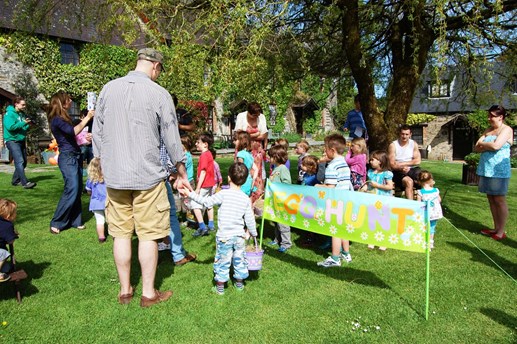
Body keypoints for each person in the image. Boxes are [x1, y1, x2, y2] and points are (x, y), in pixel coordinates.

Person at [93, 48, 190, 307]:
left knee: (121, 234)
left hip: (115, 177)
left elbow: (98, 132)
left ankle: (125, 290)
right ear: (156, 66)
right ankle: (148, 293)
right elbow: (171, 136)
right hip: (148, 177)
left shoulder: (108, 89)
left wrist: (102, 163)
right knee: (148, 235)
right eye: (160, 71)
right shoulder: (159, 93)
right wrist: (181, 170)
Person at [180, 162, 257, 295]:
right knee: (239, 259)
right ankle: (239, 283)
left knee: (223, 260)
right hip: (239, 237)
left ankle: (220, 287)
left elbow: (206, 202)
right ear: (244, 181)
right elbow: (250, 219)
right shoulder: (245, 199)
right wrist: (253, 233)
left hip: (224, 237)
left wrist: (190, 193)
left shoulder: (223, 194)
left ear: (228, 178)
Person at [48, 92, 94, 234]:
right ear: (62, 102)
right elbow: (72, 131)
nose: (70, 101)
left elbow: (72, 137)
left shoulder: (64, 118)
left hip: (75, 155)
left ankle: (75, 220)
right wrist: (88, 117)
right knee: (72, 188)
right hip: (67, 158)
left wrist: (86, 138)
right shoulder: (56, 119)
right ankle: (57, 221)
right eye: (68, 100)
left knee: (77, 187)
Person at [475, 105, 513, 241]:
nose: (489, 118)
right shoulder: (489, 130)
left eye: (492, 115)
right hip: (487, 169)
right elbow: (476, 147)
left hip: (499, 171)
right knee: (491, 198)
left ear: (500, 117)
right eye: (489, 115)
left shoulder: (506, 130)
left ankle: (501, 231)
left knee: (499, 199)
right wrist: (487, 144)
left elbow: (496, 145)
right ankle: (495, 227)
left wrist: (485, 143)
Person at [158, 139, 197, 265]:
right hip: (157, 180)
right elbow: (168, 156)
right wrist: (178, 173)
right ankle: (178, 255)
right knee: (171, 216)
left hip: (126, 182)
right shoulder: (158, 125)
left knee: (146, 221)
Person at [317, 134, 353, 268]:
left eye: (325, 149)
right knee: (343, 228)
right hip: (345, 200)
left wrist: (318, 186)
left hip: (335, 202)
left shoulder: (332, 166)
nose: (324, 152)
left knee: (335, 230)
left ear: (332, 150)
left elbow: (330, 187)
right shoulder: (344, 163)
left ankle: (335, 258)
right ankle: (346, 253)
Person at [234, 102, 268, 203]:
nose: (256, 117)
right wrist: (255, 134)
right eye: (254, 115)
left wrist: (247, 135)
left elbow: (263, 135)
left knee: (257, 171)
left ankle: (256, 197)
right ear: (249, 112)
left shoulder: (261, 117)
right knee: (242, 170)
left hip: (257, 150)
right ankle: (241, 194)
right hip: (243, 148)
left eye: (257, 115)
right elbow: (238, 134)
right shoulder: (241, 116)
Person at [3, 96, 36, 189]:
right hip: (12, 140)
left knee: (24, 162)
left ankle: (15, 180)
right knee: (19, 161)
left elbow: (23, 128)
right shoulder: (9, 114)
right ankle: (25, 183)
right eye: (23, 104)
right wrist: (23, 123)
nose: (24, 106)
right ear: (16, 104)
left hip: (21, 140)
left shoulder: (21, 114)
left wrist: (28, 125)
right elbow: (11, 127)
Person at [364, 150, 394, 250]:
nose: (370, 161)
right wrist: (364, 188)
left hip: (384, 199)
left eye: (373, 160)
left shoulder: (387, 173)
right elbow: (368, 184)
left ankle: (383, 241)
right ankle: (372, 239)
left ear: (380, 161)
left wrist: (378, 185)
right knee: (372, 219)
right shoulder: (370, 172)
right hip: (372, 198)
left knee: (383, 220)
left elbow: (390, 187)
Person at [267, 145, 292, 253]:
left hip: (282, 200)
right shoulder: (275, 169)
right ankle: (277, 239)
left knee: (283, 222)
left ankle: (286, 243)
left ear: (276, 157)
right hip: (275, 200)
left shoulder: (283, 169)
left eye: (271, 157)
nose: (269, 159)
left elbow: (287, 183)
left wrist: (279, 190)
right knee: (276, 221)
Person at [191, 132, 216, 237]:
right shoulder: (209, 153)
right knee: (209, 203)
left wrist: (197, 188)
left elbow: (203, 172)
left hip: (204, 185)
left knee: (195, 204)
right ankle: (211, 224)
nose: (196, 144)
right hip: (211, 184)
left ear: (205, 144)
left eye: (198, 142)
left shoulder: (203, 156)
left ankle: (202, 226)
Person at [388, 125, 421, 200]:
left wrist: (403, 164)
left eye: (407, 134)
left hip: (411, 169)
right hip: (397, 171)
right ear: (399, 134)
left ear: (410, 135)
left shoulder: (413, 144)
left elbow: (418, 161)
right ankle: (410, 206)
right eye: (402, 134)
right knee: (409, 182)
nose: (404, 136)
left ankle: (427, 204)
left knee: (424, 178)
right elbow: (392, 164)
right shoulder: (393, 145)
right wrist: (400, 168)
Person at [416, 170, 443, 249]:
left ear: (419, 181)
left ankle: (424, 240)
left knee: (424, 226)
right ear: (431, 179)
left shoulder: (420, 192)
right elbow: (439, 200)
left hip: (425, 213)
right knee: (432, 227)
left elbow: (418, 203)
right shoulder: (436, 190)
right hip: (435, 213)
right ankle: (430, 242)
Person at [85, 158, 107, 243]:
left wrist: (91, 194)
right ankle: (115, 236)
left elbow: (89, 191)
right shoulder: (107, 179)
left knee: (99, 220)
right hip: (107, 202)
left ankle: (101, 237)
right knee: (111, 220)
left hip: (95, 203)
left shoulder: (90, 180)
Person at [234, 131, 259, 196]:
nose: (234, 142)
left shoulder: (240, 154)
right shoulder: (249, 154)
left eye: (236, 140)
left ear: (241, 141)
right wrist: (253, 180)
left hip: (242, 184)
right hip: (249, 182)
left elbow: (239, 169)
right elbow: (256, 169)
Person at [0, 199, 19, 282]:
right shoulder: (7, 225)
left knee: (7, 267)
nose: (16, 214)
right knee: (4, 253)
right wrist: (13, 234)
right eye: (15, 213)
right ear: (8, 216)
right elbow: (10, 241)